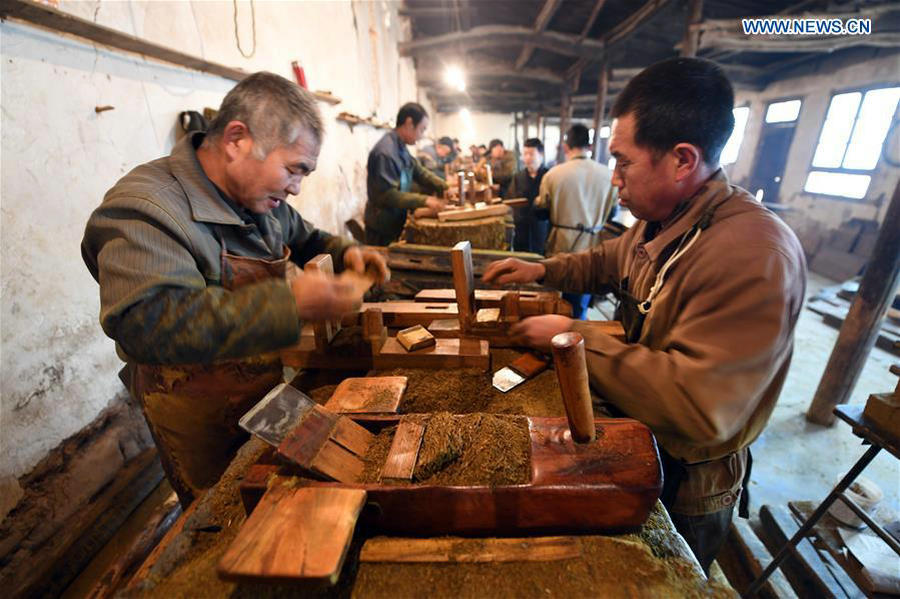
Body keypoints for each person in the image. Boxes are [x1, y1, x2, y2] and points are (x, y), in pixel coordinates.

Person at [481, 57, 806, 572]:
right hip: (642, 435)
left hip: (688, 481)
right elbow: (606, 260)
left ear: (682, 160)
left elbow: (697, 405)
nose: (614, 180)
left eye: (624, 162)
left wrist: (571, 335)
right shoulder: (665, 220)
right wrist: (540, 270)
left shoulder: (753, 254)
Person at [81, 72, 389, 507]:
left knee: (278, 494)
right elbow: (146, 324)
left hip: (264, 386)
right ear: (237, 140)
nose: (297, 187)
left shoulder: (259, 201)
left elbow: (306, 238)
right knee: (221, 514)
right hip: (196, 414)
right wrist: (289, 304)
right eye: (293, 170)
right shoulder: (144, 209)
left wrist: (346, 252)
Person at [535, 123, 613, 318]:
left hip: (560, 243)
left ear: (566, 147)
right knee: (581, 300)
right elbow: (612, 213)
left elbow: (541, 210)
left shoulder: (553, 174)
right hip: (592, 246)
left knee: (555, 298)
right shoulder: (609, 175)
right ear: (590, 146)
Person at [365, 103, 448, 245]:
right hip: (382, 227)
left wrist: (444, 186)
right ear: (409, 123)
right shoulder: (385, 152)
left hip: (396, 219)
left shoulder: (400, 146)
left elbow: (418, 170)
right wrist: (425, 200)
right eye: (422, 129)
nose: (421, 136)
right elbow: (387, 195)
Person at [507, 138, 549, 254]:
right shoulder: (518, 177)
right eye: (525, 154)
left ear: (541, 154)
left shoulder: (549, 176)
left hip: (542, 229)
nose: (527, 158)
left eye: (531, 154)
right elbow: (510, 202)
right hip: (521, 230)